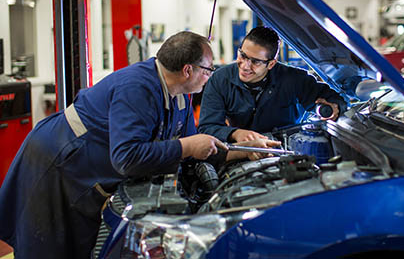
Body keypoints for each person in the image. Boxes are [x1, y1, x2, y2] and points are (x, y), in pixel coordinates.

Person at [0, 31, 279, 259]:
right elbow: (127, 157)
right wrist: (186, 147)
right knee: (51, 247)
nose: (211, 76)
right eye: (208, 70)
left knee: (79, 245)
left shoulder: (179, 95)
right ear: (187, 70)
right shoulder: (138, 89)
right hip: (57, 164)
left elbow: (197, 151)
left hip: (87, 168)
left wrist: (245, 151)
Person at [198, 26, 346, 143]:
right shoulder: (220, 80)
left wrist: (334, 107)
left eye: (255, 61)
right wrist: (235, 133)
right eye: (242, 55)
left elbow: (335, 99)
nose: (245, 66)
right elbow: (207, 127)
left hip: (288, 150)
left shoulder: (294, 79)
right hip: (243, 152)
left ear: (271, 64)